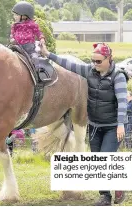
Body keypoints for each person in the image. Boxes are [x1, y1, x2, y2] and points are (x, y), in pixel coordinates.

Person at [40, 42, 128, 206]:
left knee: (104, 159)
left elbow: (122, 101)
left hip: (113, 126)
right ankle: (105, 196)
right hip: (95, 125)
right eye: (93, 61)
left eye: (98, 61)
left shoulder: (118, 76)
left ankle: (117, 185)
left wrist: (121, 124)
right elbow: (69, 65)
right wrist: (48, 54)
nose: (95, 64)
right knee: (96, 161)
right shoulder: (90, 71)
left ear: (109, 59)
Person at [10, 1, 45, 70]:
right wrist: (12, 40)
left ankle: (37, 73)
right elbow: (12, 35)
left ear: (25, 16)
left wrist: (41, 39)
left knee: (35, 58)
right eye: (14, 15)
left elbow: (38, 33)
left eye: (16, 15)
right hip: (17, 47)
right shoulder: (15, 25)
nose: (14, 17)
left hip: (29, 49)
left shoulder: (32, 24)